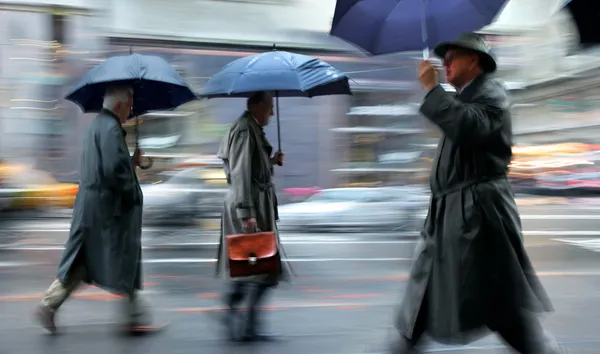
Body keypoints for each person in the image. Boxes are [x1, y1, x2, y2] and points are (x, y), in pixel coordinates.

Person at [390, 33, 567, 353]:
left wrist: (433, 90)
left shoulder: (491, 92)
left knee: (504, 308)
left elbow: (468, 127)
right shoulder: (463, 97)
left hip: (478, 217)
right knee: (425, 296)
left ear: (474, 60)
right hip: (451, 218)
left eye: (451, 57)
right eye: (443, 59)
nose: (444, 64)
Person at [35, 85, 158, 335]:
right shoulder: (112, 129)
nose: (130, 110)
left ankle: (49, 304)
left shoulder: (96, 127)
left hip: (90, 206)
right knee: (125, 256)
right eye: (128, 105)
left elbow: (108, 165)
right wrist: (133, 192)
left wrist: (131, 160)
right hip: (108, 210)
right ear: (117, 106)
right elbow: (114, 170)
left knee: (83, 260)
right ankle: (133, 318)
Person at [216, 91, 291, 342]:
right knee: (259, 270)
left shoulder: (251, 129)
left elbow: (251, 167)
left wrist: (271, 161)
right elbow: (239, 174)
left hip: (255, 205)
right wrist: (247, 214)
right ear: (257, 106)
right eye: (270, 107)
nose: (273, 112)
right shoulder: (245, 131)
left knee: (259, 269)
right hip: (249, 207)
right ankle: (241, 320)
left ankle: (241, 319)